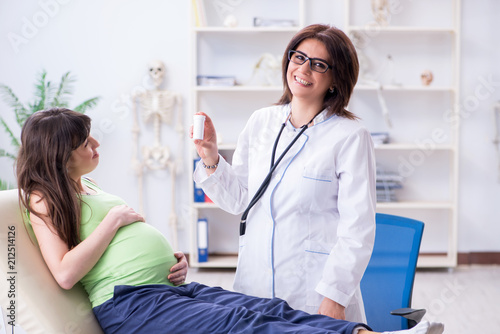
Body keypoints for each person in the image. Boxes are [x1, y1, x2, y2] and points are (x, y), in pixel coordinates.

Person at [17, 108, 444, 334]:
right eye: (83, 140)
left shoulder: (86, 188)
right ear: (59, 152)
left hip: (164, 289)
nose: (95, 144)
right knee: (241, 325)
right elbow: (66, 272)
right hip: (132, 306)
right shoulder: (42, 197)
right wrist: (114, 222)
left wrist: (171, 260)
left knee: (265, 309)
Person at [193, 24, 375, 322]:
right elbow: (241, 201)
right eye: (298, 57)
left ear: (335, 78)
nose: (304, 69)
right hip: (254, 286)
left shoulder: (350, 136)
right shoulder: (261, 121)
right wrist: (210, 156)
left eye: (319, 64)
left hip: (314, 291)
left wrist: (335, 295)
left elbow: (358, 229)